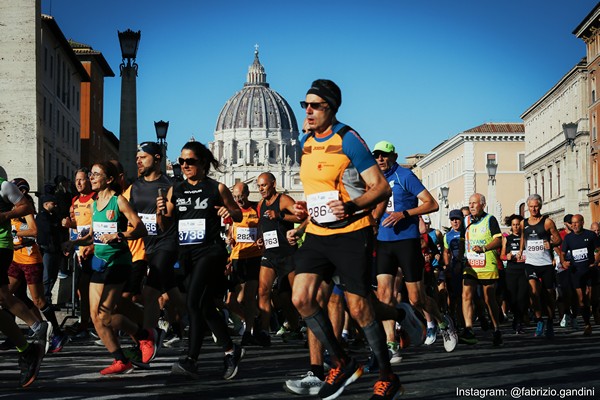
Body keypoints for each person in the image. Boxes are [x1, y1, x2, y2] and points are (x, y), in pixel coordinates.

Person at [291, 79, 408, 399]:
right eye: (305, 105)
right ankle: (341, 362)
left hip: (351, 233)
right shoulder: (304, 141)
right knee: (300, 298)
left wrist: (351, 206)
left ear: (331, 108)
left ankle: (387, 375)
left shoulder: (349, 139)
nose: (309, 111)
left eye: (315, 105)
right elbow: (318, 188)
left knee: (358, 307)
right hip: (317, 232)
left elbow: (380, 187)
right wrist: (304, 208)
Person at [158, 141, 245, 380]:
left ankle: (191, 359)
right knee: (204, 306)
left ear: (203, 163)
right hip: (186, 253)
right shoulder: (174, 189)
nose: (185, 165)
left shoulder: (217, 188)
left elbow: (237, 213)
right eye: (181, 161)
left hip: (210, 251)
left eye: (190, 161)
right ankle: (230, 349)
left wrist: (229, 212)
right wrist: (160, 214)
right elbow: (165, 225)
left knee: (193, 302)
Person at [62, 161, 148, 375]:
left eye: (96, 174)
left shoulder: (119, 201)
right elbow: (92, 235)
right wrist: (74, 242)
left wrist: (119, 235)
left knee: (105, 315)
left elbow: (140, 228)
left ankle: (144, 336)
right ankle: (121, 360)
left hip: (118, 262)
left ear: (109, 180)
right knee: (94, 316)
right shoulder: (93, 203)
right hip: (99, 263)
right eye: (91, 174)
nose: (91, 177)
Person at [372, 140, 456, 355]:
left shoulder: (405, 176)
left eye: (384, 155)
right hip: (383, 243)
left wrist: (405, 213)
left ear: (395, 156)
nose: (380, 159)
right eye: (377, 155)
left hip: (406, 243)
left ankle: (442, 322)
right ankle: (391, 344)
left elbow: (432, 204)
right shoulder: (374, 180)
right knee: (384, 295)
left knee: (415, 298)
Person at [128, 142, 186, 364]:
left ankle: (149, 339)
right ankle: (197, 314)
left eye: (143, 157)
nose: (139, 161)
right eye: (137, 158)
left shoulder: (171, 184)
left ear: (158, 158)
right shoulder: (135, 187)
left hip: (168, 242)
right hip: (148, 245)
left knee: (151, 293)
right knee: (172, 294)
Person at [8, 178, 68, 352]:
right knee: (6, 294)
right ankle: (39, 327)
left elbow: (35, 232)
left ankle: (57, 333)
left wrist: (15, 232)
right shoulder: (9, 208)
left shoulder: (26, 209)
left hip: (31, 261)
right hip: (15, 259)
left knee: (39, 300)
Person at [0, 175, 48, 387]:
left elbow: (26, 207)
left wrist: (5, 216)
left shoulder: (3, 185)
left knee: (3, 295)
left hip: (2, 247)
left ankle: (38, 327)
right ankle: (27, 350)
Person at [255, 172, 301, 346]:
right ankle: (264, 332)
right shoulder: (260, 204)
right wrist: (260, 238)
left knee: (292, 297)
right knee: (263, 291)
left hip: (288, 254)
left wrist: (281, 216)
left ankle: (299, 328)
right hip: (270, 254)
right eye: (259, 186)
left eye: (264, 185)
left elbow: (301, 216)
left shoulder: (283, 200)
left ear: (273, 184)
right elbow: (263, 225)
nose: (261, 189)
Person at [460, 193, 503, 346]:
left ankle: (496, 329)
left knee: (489, 299)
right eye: (470, 203)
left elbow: (499, 240)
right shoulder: (465, 221)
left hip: (486, 264)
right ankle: (469, 329)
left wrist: (484, 248)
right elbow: (462, 240)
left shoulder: (490, 219)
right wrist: (460, 257)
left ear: (482, 205)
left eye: (474, 203)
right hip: (470, 264)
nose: (471, 206)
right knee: (466, 295)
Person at [518, 194, 561, 338]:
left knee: (549, 294)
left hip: (546, 263)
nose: (533, 209)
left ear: (540, 206)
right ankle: (538, 320)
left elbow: (558, 239)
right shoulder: (524, 223)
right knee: (533, 292)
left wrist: (552, 243)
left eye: (536, 206)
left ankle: (549, 321)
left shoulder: (547, 222)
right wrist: (520, 251)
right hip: (531, 263)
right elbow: (524, 237)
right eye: (530, 207)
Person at [226, 182, 262, 346]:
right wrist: (229, 238)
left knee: (249, 297)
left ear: (247, 194)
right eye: (235, 196)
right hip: (237, 257)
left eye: (240, 196)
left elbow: (262, 227)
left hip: (254, 256)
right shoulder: (232, 211)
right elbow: (229, 229)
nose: (238, 200)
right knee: (233, 301)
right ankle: (254, 322)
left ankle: (248, 332)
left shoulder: (257, 209)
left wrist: (261, 238)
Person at [63, 168, 96, 339]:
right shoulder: (75, 200)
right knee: (81, 289)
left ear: (89, 180)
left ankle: (92, 323)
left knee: (90, 288)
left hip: (95, 249)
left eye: (82, 179)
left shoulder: (96, 199)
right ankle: (85, 323)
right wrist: (70, 226)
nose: (78, 183)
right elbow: (79, 225)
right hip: (80, 249)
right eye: (76, 180)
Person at [560, 214, 600, 336]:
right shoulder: (568, 238)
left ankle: (596, 310)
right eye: (572, 223)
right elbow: (562, 252)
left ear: (582, 222)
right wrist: (563, 262)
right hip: (576, 272)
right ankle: (587, 324)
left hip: (590, 270)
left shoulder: (590, 235)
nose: (574, 225)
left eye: (577, 223)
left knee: (592, 297)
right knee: (581, 299)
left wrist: (596, 261)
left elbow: (598, 250)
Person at [501, 214, 528, 334]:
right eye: (514, 225)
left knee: (522, 297)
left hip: (524, 270)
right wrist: (507, 257)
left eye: (518, 224)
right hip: (511, 271)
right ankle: (515, 319)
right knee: (512, 298)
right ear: (511, 226)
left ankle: (519, 321)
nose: (516, 227)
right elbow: (502, 255)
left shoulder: (526, 238)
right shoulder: (507, 238)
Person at [36, 194, 62, 304]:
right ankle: (44, 299)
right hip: (46, 249)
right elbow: (48, 229)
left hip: (55, 249)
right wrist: (56, 225)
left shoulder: (54, 215)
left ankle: (48, 297)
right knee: (46, 276)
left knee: (53, 276)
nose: (55, 205)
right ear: (46, 204)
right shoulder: (42, 216)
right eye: (52, 203)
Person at [443, 209, 465, 328]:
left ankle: (469, 320)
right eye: (452, 219)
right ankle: (453, 319)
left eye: (457, 219)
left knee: (468, 296)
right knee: (454, 296)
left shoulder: (467, 232)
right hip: (454, 269)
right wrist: (447, 266)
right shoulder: (447, 236)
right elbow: (446, 252)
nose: (455, 221)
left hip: (467, 266)